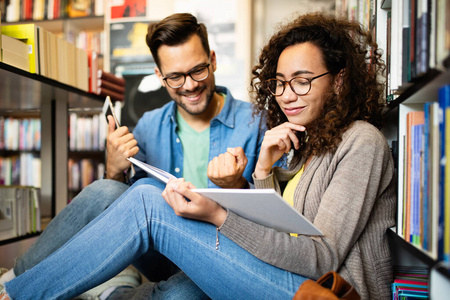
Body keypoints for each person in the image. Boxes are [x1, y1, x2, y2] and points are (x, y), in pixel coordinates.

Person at [0, 12, 396, 300]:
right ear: (159, 76)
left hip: (320, 291)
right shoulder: (307, 144)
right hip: (263, 268)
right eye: (279, 83)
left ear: (340, 79)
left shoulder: (361, 142)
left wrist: (220, 209)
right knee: (119, 192)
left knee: (151, 210)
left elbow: (318, 257)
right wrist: (262, 172)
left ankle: (23, 295)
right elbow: (282, 230)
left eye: (303, 81)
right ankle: (26, 286)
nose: (288, 94)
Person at [0, 13, 266, 299]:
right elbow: (126, 214)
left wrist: (237, 186)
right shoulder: (150, 125)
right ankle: (11, 281)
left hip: (219, 256)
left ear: (212, 60)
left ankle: (115, 292)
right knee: (105, 190)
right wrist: (114, 171)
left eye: (198, 70)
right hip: (162, 256)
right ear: (159, 77)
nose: (189, 85)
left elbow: (272, 222)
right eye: (175, 77)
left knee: (182, 296)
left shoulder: (256, 122)